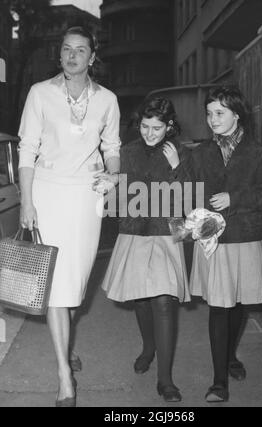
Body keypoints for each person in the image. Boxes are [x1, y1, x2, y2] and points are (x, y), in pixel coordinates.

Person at [18, 26, 121, 407]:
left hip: (86, 198)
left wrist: (113, 172)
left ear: (92, 57)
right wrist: (27, 202)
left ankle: (66, 340)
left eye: (81, 50)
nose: (73, 56)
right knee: (58, 288)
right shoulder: (40, 94)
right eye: (66, 50)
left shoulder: (107, 100)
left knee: (75, 286)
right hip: (47, 192)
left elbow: (111, 146)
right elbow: (27, 149)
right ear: (59, 55)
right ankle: (64, 375)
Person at [190, 86, 262, 403]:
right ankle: (219, 383)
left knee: (237, 304)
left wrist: (234, 199)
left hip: (245, 237)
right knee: (219, 307)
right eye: (209, 113)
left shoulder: (258, 154)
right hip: (213, 240)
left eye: (219, 113)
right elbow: (189, 192)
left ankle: (230, 358)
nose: (212, 119)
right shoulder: (199, 153)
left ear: (236, 114)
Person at [101, 97, 194, 402]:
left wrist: (177, 168)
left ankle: (165, 380)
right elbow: (115, 197)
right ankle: (148, 348)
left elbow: (189, 200)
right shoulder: (126, 153)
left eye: (157, 127)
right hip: (135, 233)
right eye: (144, 126)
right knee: (141, 299)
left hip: (167, 233)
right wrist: (107, 188)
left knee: (164, 301)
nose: (150, 133)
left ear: (169, 126)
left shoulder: (180, 152)